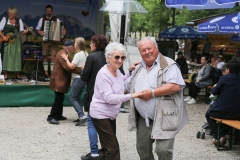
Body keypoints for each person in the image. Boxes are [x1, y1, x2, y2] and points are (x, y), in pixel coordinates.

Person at [125, 37, 189, 160]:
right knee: (142, 149)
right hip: (144, 118)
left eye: (149, 48)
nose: (147, 52)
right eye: (143, 50)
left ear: (156, 48)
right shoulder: (138, 67)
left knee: (163, 150)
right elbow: (127, 86)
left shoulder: (169, 65)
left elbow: (176, 86)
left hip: (165, 116)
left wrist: (152, 93)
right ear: (140, 53)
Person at [90, 42, 140, 160]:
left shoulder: (116, 70)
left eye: (122, 57)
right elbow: (110, 98)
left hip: (110, 115)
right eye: (117, 57)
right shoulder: (103, 74)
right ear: (108, 57)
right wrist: (133, 95)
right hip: (100, 114)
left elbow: (120, 81)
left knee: (107, 147)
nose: (120, 60)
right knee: (113, 149)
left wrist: (129, 71)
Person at [80, 35, 108, 160]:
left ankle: (94, 153)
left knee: (91, 124)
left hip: (94, 95)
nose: (90, 45)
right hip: (108, 96)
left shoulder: (91, 57)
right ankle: (107, 151)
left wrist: (83, 69)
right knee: (106, 125)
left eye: (91, 43)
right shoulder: (110, 56)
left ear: (96, 44)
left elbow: (84, 77)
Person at [47, 39, 82, 125]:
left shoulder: (64, 53)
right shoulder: (62, 55)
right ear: (70, 47)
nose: (74, 48)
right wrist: (81, 70)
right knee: (58, 99)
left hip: (60, 80)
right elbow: (68, 67)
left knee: (60, 98)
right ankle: (51, 117)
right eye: (73, 47)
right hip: (58, 80)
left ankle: (58, 115)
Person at [205, 60, 240, 146]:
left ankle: (218, 135)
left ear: (228, 69)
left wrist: (214, 87)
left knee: (208, 114)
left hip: (221, 112)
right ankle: (221, 136)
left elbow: (215, 92)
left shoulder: (224, 78)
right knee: (229, 119)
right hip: (238, 114)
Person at [61, 37, 88, 126]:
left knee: (72, 98)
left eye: (75, 43)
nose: (74, 45)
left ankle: (82, 116)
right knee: (77, 97)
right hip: (83, 79)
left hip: (77, 78)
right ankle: (81, 115)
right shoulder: (86, 53)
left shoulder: (78, 54)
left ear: (78, 45)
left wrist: (66, 59)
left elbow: (71, 67)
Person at [36, 4, 66, 81]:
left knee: (53, 57)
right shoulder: (42, 19)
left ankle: (53, 73)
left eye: (50, 11)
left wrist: (63, 32)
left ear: (52, 11)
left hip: (54, 41)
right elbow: (37, 29)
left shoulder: (56, 19)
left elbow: (61, 27)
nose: (48, 12)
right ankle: (46, 73)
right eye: (47, 11)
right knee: (45, 56)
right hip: (45, 41)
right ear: (45, 11)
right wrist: (40, 33)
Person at [0, 7, 28, 80]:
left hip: (16, 40)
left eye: (11, 13)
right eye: (9, 13)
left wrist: (25, 32)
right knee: (7, 55)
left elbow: (21, 31)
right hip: (7, 40)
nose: (10, 14)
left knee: (17, 55)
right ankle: (6, 74)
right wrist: (3, 37)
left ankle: (17, 74)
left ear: (15, 14)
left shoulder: (19, 21)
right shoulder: (4, 19)